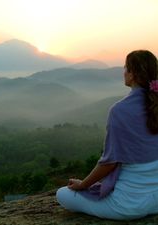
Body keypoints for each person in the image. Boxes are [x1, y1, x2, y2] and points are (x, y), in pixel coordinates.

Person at [56, 50, 158, 220]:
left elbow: (109, 163)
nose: (123, 71)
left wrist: (84, 184)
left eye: (126, 68)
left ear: (132, 75)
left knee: (63, 194)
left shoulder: (120, 111)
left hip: (129, 205)